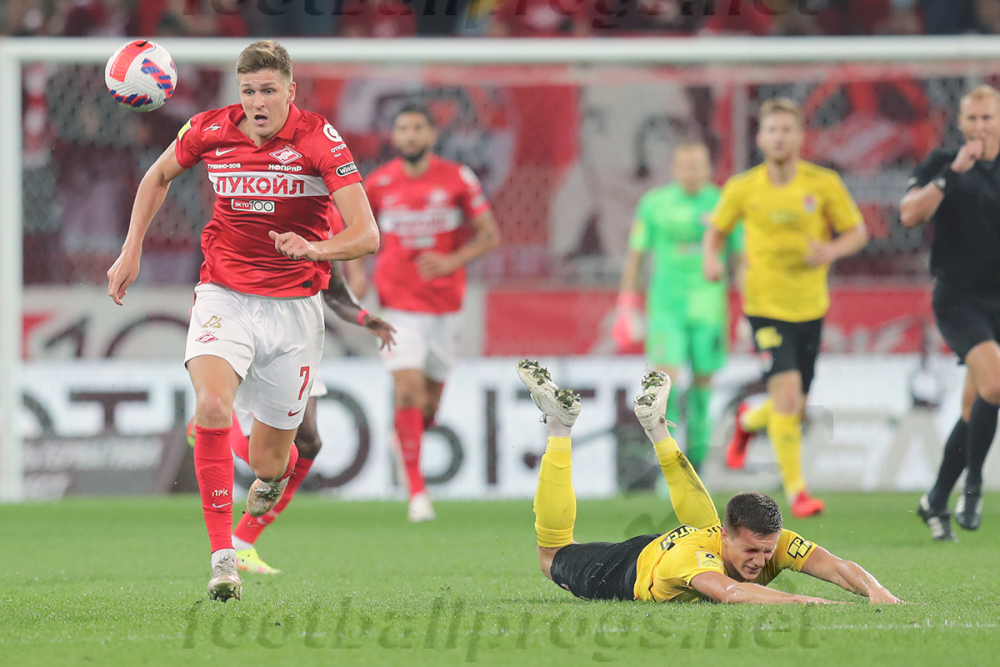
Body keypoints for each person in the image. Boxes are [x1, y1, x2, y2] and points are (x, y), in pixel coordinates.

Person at [106, 40, 380, 601]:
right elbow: (157, 176)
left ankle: (266, 471)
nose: (257, 102)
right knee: (211, 404)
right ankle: (223, 560)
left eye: (268, 91)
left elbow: (366, 234)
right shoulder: (211, 128)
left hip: (294, 311)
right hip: (223, 295)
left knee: (271, 463)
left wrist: (315, 249)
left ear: (290, 91)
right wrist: (131, 248)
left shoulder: (318, 139)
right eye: (249, 91)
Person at [518, 360, 902, 604]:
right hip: (629, 570)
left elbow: (836, 566)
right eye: (750, 551)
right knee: (551, 556)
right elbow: (732, 592)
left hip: (677, 543)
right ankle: (560, 427)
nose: (760, 561)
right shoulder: (697, 559)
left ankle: (657, 430)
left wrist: (876, 590)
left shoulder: (770, 543)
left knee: (704, 527)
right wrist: (816, 603)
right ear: (726, 537)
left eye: (766, 551)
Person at [703, 97, 868, 519]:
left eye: (786, 130)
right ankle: (798, 493)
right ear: (760, 138)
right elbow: (716, 232)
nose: (779, 137)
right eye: (772, 129)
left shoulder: (822, 182)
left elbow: (857, 232)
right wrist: (710, 260)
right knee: (789, 396)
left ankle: (746, 421)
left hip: (810, 306)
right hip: (764, 304)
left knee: (793, 405)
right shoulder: (743, 187)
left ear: (800, 137)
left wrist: (830, 250)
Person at [186, 261, 397, 574]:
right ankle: (214, 422)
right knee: (267, 457)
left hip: (297, 330)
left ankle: (243, 540)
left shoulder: (324, 233)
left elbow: (334, 289)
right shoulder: (252, 235)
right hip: (249, 323)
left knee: (309, 443)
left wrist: (364, 317)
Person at [352, 102, 500, 521]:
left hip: (445, 305)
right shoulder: (379, 183)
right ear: (395, 136)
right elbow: (357, 231)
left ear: (432, 135)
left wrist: (453, 260)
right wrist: (356, 273)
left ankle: (406, 435)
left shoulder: (457, 178)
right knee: (407, 390)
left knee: (429, 405)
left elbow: (489, 234)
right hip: (397, 303)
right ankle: (417, 494)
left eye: (418, 128)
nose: (411, 135)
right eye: (403, 128)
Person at [900, 85, 1000, 541]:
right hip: (960, 299)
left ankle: (936, 499)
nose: (980, 126)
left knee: (973, 405)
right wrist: (950, 175)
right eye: (973, 118)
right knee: (995, 384)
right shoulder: (943, 163)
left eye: (988, 117)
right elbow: (908, 215)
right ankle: (974, 487)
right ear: (961, 123)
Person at [615, 140, 740, 471]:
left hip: (708, 311)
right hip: (666, 311)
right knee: (665, 386)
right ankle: (668, 465)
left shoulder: (723, 204)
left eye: (697, 166)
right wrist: (626, 304)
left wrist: (748, 308)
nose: (691, 173)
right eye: (685, 166)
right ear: (674, 169)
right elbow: (636, 256)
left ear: (709, 169)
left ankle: (697, 462)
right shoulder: (655, 204)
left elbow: (741, 258)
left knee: (702, 389)